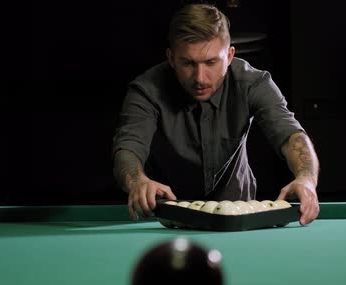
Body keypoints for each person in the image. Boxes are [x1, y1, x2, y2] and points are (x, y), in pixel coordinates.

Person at [112, 4, 319, 225]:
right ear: (171, 58)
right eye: (188, 63)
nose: (200, 78)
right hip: (163, 216)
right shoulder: (146, 89)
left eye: (211, 62)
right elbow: (128, 147)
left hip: (239, 215)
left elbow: (291, 136)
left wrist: (306, 178)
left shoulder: (253, 83)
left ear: (229, 56)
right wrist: (138, 182)